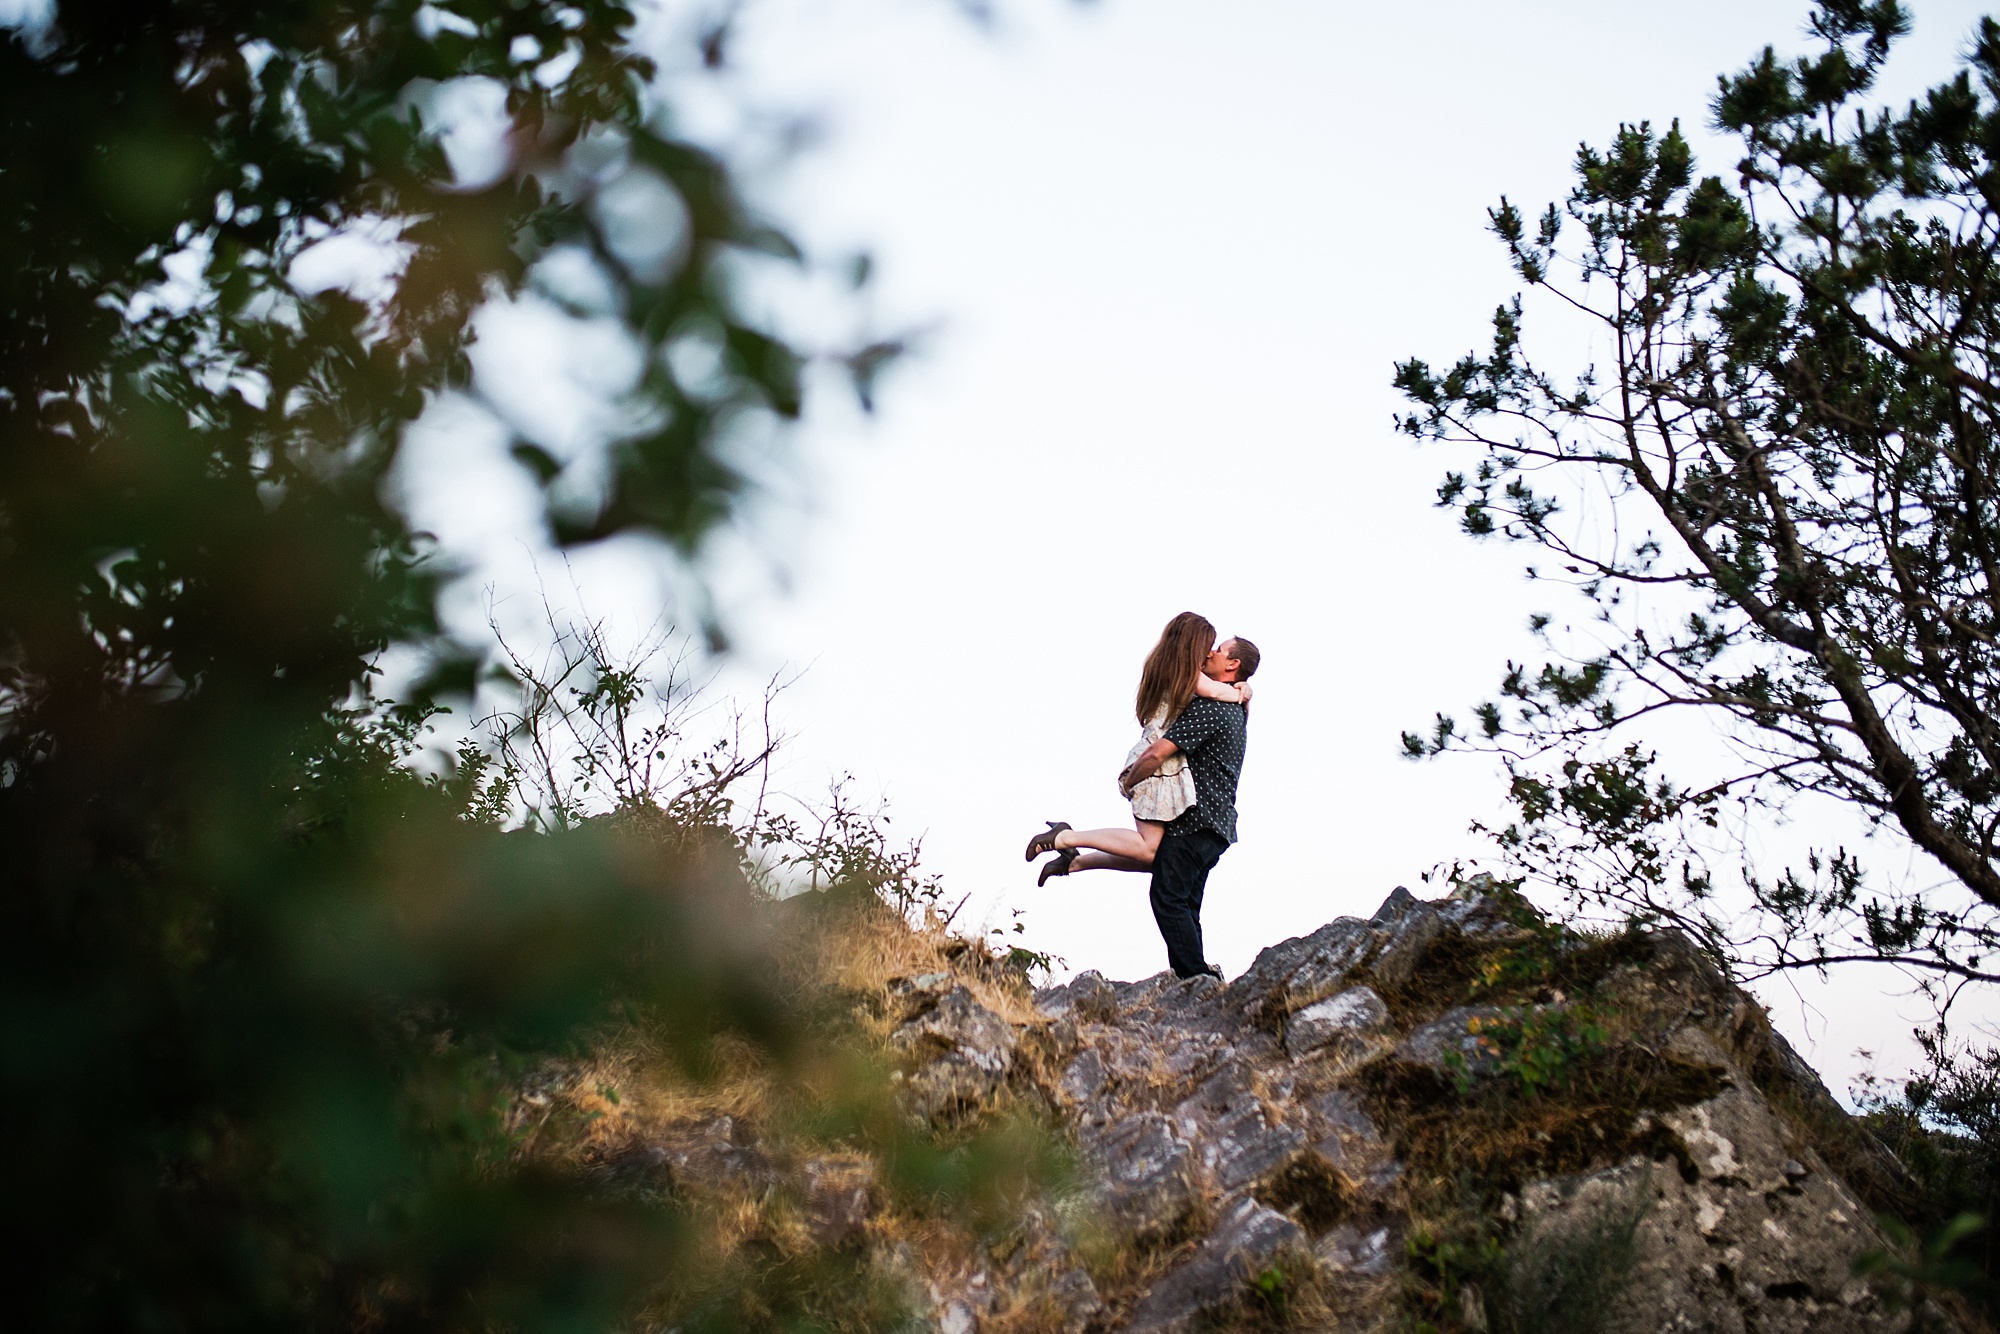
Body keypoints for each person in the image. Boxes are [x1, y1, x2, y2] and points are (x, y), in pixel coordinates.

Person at [1024, 613, 1260, 980]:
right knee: (1172, 883)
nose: (1210, 653)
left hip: (1199, 815)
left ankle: (1069, 847)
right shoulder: (1208, 692)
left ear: (1232, 664)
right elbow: (1204, 704)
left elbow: (1161, 751)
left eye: (1218, 650)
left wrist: (1133, 779)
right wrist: (1243, 690)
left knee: (1164, 881)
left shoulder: (1211, 702)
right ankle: (1196, 978)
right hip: (1205, 813)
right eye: (1208, 645)